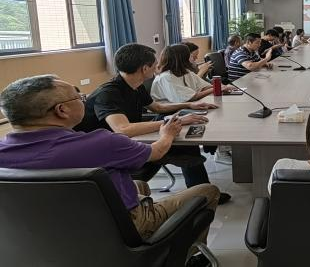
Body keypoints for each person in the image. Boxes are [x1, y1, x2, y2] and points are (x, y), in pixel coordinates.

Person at [0, 75, 222, 265]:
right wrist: (167, 134)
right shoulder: (101, 143)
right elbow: (154, 153)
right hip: (113, 229)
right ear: (62, 110)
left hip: (41, 236)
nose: (84, 101)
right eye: (80, 97)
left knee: (138, 185)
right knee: (207, 191)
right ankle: (185, 258)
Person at [74, 43, 231, 204]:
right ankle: (202, 192)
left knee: (181, 134)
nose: (158, 67)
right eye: (155, 65)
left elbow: (157, 107)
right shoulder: (108, 93)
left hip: (123, 140)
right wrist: (173, 122)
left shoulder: (135, 85)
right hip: (105, 153)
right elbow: (123, 129)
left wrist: (190, 105)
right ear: (144, 68)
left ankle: (201, 191)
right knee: (182, 140)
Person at [152, 44, 235, 103]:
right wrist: (217, 88)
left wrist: (223, 87)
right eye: (190, 56)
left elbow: (203, 87)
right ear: (182, 59)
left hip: (189, 106)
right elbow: (191, 97)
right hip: (171, 113)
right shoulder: (166, 77)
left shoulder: (185, 72)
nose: (192, 58)